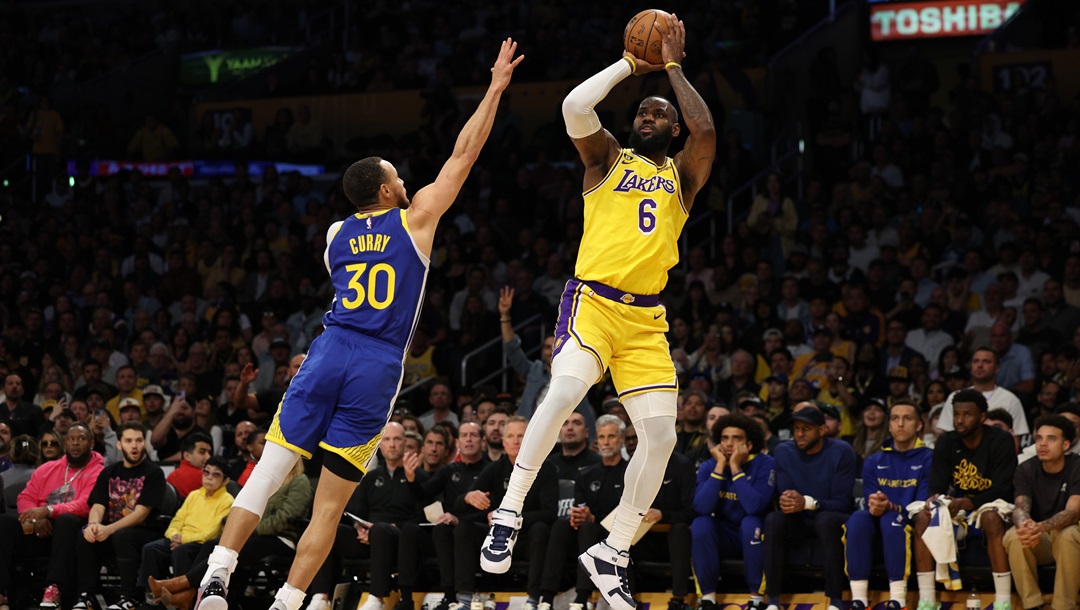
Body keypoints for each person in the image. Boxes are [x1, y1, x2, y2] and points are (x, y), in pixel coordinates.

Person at [195, 39, 524, 610]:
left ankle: (216, 577)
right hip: (377, 363)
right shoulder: (417, 220)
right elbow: (464, 153)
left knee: (268, 472)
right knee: (328, 508)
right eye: (397, 177)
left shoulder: (335, 235)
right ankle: (288, 602)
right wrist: (495, 88)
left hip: (330, 348)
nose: (405, 181)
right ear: (386, 190)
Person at [480, 16, 715, 610]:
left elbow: (706, 129)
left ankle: (614, 548)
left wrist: (673, 68)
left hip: (646, 322)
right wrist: (632, 65)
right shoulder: (607, 159)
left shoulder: (683, 176)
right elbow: (574, 106)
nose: (648, 116)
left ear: (673, 128)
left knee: (662, 436)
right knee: (563, 392)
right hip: (593, 302)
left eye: (659, 114)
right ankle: (509, 511)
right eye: (643, 111)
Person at [913, 389, 1017, 610]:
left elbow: (1003, 490)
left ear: (982, 417)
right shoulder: (946, 442)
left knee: (990, 518)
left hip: (994, 505)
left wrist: (967, 503)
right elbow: (936, 487)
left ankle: (1003, 601)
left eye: (967, 414)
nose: (960, 420)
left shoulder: (1001, 440)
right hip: (961, 508)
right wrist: (936, 500)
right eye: (956, 414)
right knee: (923, 517)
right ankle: (927, 600)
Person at [0, 424, 103, 610]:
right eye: (71, 439)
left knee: (67, 520)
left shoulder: (99, 472)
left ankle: (54, 588)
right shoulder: (47, 469)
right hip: (40, 530)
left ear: (92, 444)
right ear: (65, 443)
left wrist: (48, 511)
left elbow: (85, 505)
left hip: (73, 536)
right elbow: (25, 498)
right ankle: (2, 592)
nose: (75, 443)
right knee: (4, 522)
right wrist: (36, 519)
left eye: (81, 439)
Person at [763, 406, 856, 610]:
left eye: (806, 428)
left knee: (825, 519)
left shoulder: (842, 451)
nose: (800, 434)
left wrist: (807, 502)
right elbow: (787, 495)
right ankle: (773, 601)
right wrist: (787, 502)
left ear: (822, 430)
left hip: (833, 518)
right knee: (773, 519)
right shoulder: (783, 451)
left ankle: (835, 601)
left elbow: (842, 503)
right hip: (800, 520)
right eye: (796, 428)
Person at [843, 400, 932, 610]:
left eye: (907, 419)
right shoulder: (874, 461)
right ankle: (858, 599)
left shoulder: (929, 458)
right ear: (889, 425)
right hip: (882, 517)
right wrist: (877, 505)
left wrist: (891, 507)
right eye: (895, 419)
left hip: (912, 521)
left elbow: (921, 505)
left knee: (891, 520)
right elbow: (872, 501)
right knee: (857, 519)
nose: (900, 424)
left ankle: (898, 599)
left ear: (919, 425)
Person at [74, 422, 166, 610]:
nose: (134, 445)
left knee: (123, 535)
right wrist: (93, 526)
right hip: (112, 532)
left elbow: (141, 513)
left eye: (139, 440)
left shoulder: (154, 473)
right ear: (119, 444)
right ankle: (87, 595)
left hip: (144, 533)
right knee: (85, 535)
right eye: (129, 441)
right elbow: (98, 505)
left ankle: (130, 596)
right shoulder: (109, 472)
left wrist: (109, 529)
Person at [691, 413, 775, 610]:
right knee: (700, 525)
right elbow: (701, 507)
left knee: (750, 522)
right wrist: (721, 465)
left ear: (749, 444)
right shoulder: (710, 465)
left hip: (755, 532)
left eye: (736, 438)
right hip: (726, 535)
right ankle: (707, 599)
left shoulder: (765, 463)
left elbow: (754, 506)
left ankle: (756, 598)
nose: (729, 443)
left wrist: (735, 467)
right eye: (724, 438)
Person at [1004, 414, 1080, 610]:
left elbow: (1073, 512)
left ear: (1066, 445)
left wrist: (1041, 527)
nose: (1043, 444)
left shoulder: (1077, 466)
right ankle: (1032, 604)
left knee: (1068, 534)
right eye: (1039, 438)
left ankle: (1064, 606)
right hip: (1040, 539)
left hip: (1071, 539)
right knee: (1015, 535)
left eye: (1051, 439)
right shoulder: (1025, 469)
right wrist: (1025, 525)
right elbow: (1021, 508)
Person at [140, 457, 234, 605]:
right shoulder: (194, 495)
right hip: (180, 539)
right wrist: (174, 535)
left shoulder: (227, 501)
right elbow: (177, 520)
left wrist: (183, 539)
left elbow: (211, 532)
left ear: (225, 480)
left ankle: (182, 598)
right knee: (151, 549)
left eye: (216, 474)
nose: (209, 477)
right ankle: (151, 598)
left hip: (201, 544)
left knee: (181, 551)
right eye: (206, 472)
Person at [167, 432, 215, 498]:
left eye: (209, 453)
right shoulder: (205, 476)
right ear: (187, 456)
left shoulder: (171, 477)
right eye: (202, 452)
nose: (208, 457)